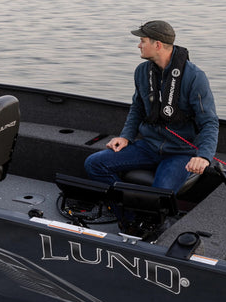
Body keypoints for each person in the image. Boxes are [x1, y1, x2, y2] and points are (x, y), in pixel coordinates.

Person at [84, 20, 218, 192]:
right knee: (94, 164)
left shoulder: (195, 77)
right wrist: (126, 136)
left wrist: (204, 157)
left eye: (143, 41)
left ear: (158, 45)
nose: (139, 46)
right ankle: (129, 211)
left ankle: (149, 209)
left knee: (160, 193)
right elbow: (137, 108)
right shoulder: (141, 71)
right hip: (148, 146)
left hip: (180, 152)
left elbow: (209, 123)